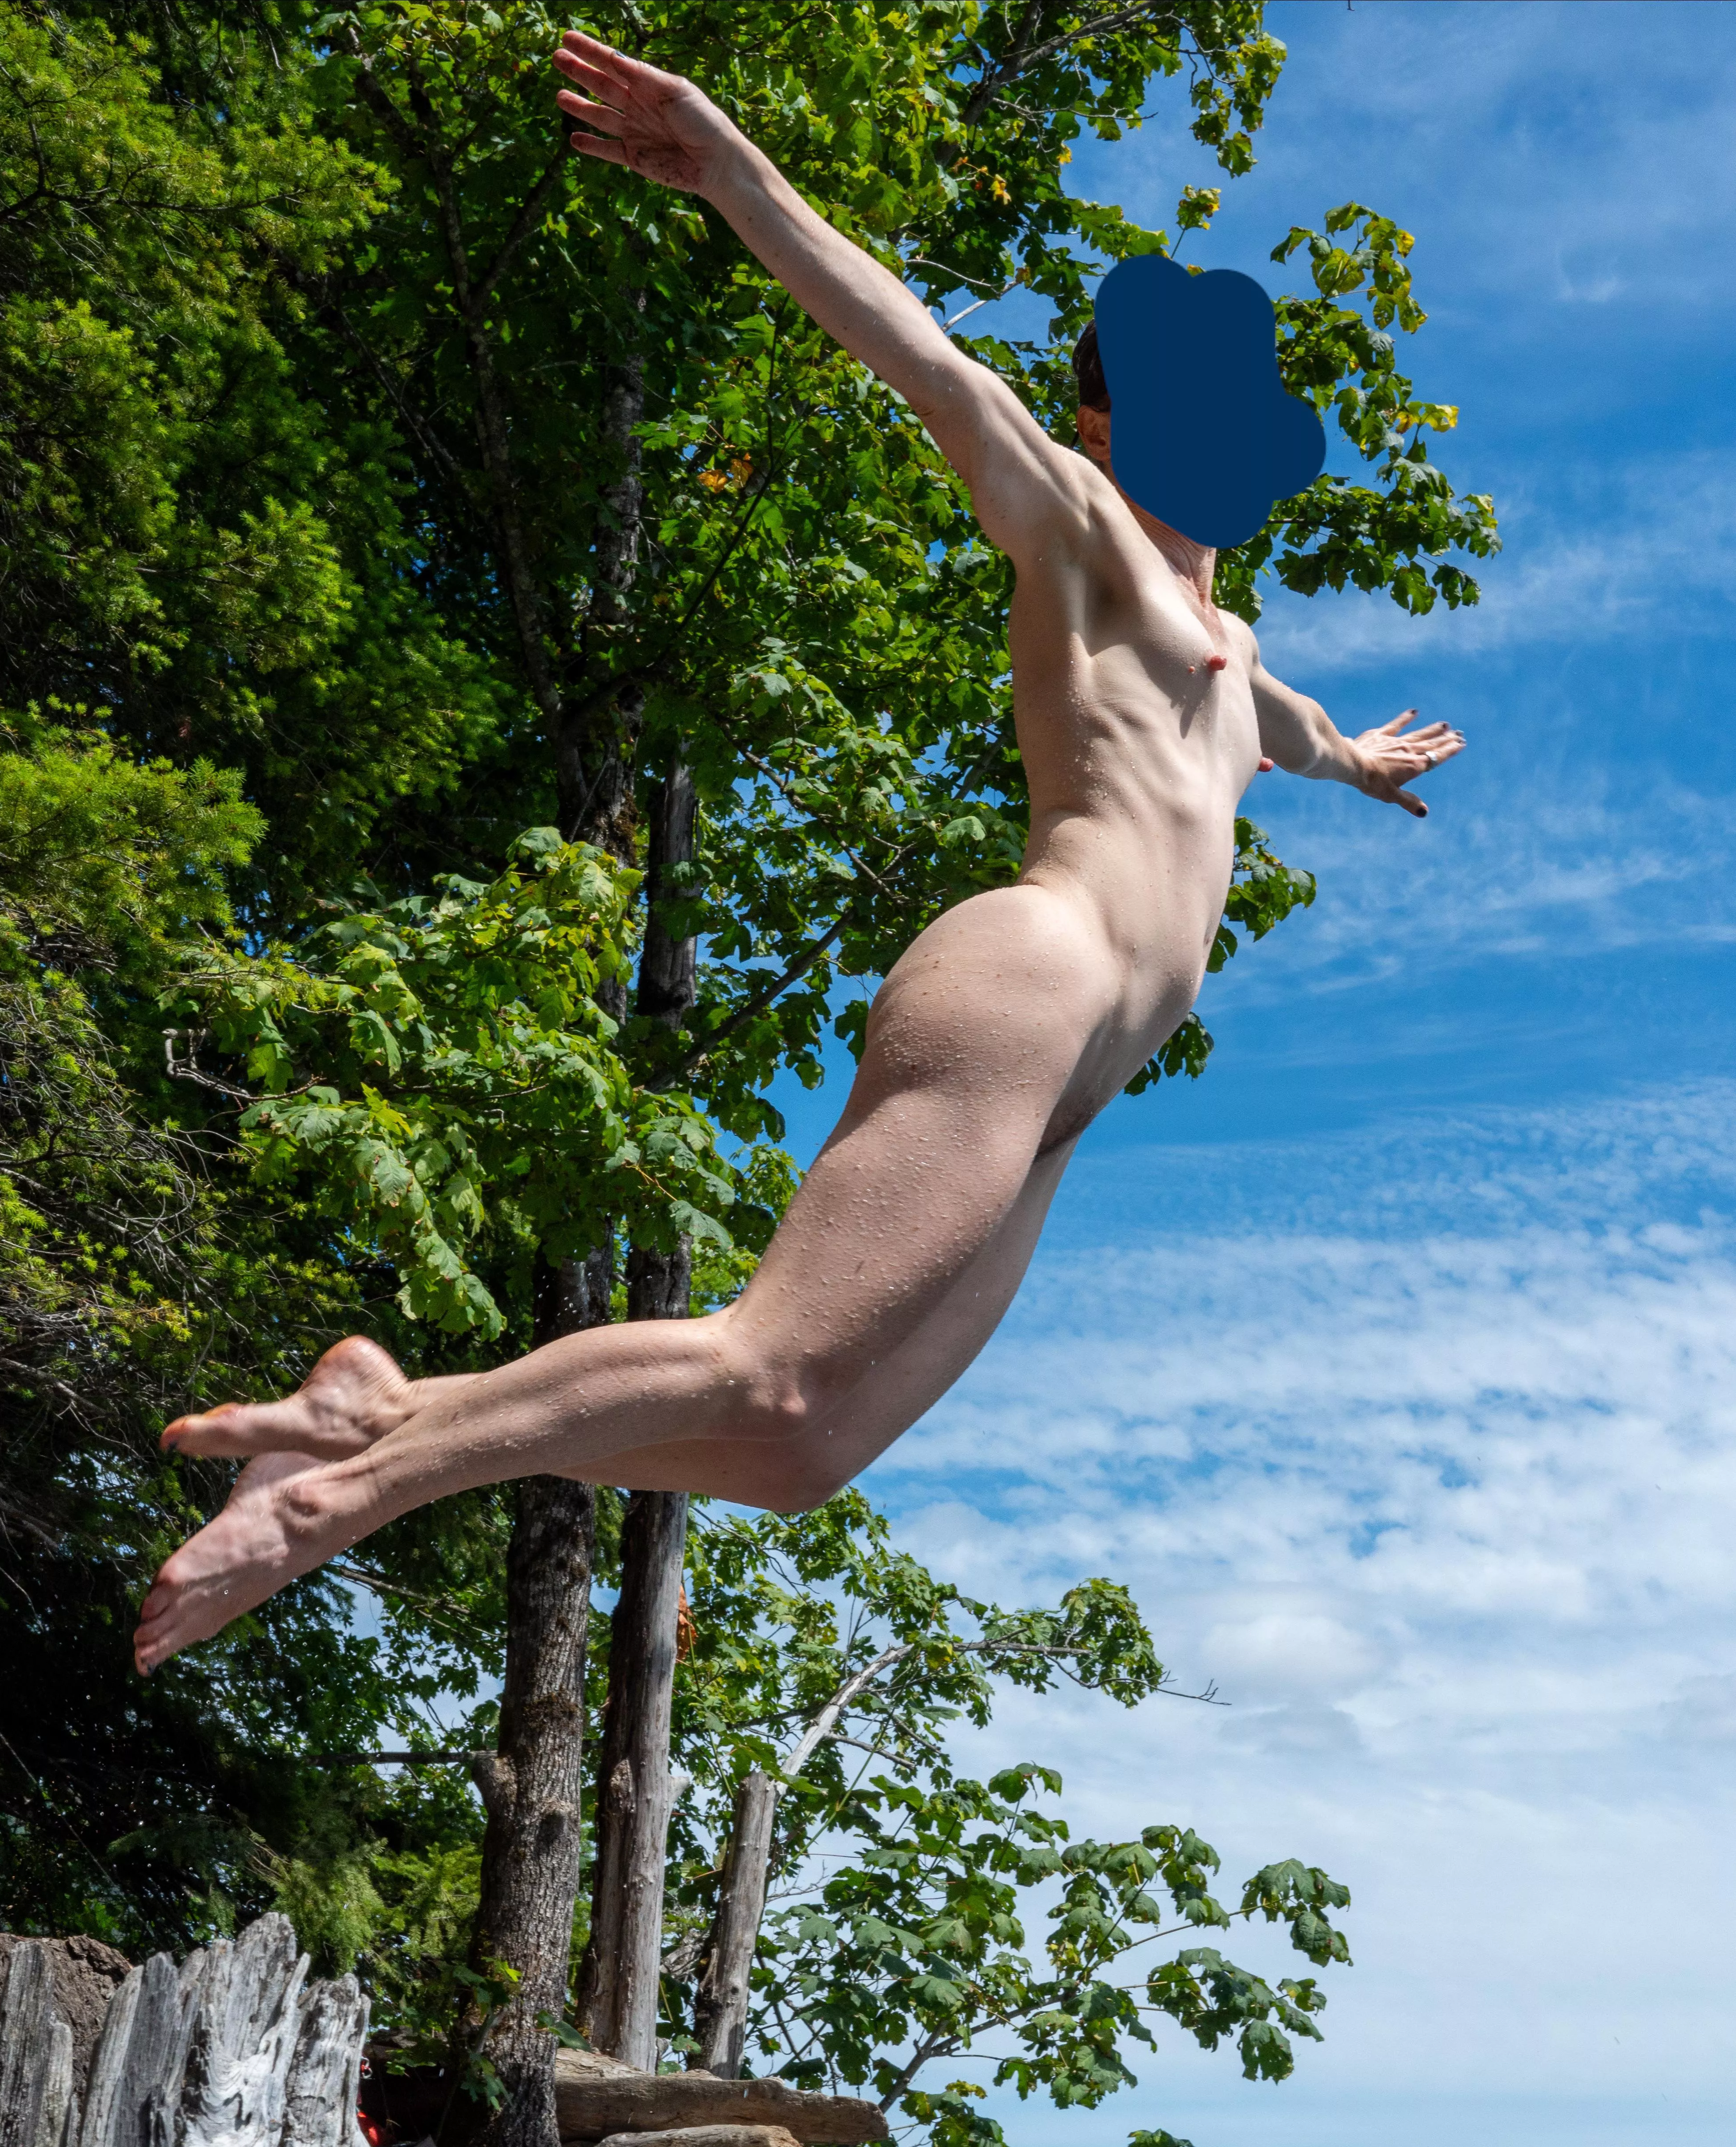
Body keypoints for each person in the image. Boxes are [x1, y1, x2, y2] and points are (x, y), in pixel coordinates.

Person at [132, 33, 1464, 1672]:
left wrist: (1360, 761)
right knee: (763, 1361)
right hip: (1033, 978)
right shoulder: (1073, 524)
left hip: (1078, 1084)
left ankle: (377, 1407)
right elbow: (922, 355)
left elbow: (1285, 715)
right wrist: (727, 166)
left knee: (795, 1450)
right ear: (1109, 424)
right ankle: (346, 1492)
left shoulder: (1221, 631)